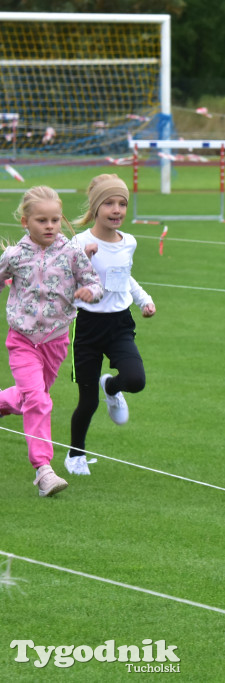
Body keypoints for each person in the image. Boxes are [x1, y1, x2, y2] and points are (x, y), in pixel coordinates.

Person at [0, 186, 103, 497]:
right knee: (39, 401)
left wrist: (90, 293)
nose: (49, 226)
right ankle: (43, 470)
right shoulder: (14, 256)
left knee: (29, 398)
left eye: (55, 220)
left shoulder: (72, 253)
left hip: (56, 342)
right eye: (41, 220)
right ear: (25, 222)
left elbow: (94, 283)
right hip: (22, 342)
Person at [64, 174, 155, 476]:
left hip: (119, 325)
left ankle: (112, 387)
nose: (117, 210)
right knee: (87, 402)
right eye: (109, 203)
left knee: (136, 380)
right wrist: (84, 269)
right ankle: (76, 454)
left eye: (122, 204)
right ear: (96, 206)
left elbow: (124, 276)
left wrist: (144, 300)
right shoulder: (79, 242)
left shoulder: (129, 241)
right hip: (87, 326)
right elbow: (66, 279)